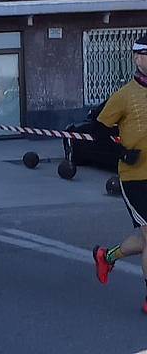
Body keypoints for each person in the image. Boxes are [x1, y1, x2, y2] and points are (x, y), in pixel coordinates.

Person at [93, 36, 147, 314]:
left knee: (145, 239)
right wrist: (123, 153)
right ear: (137, 58)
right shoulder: (125, 95)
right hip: (135, 178)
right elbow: (98, 129)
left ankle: (107, 255)